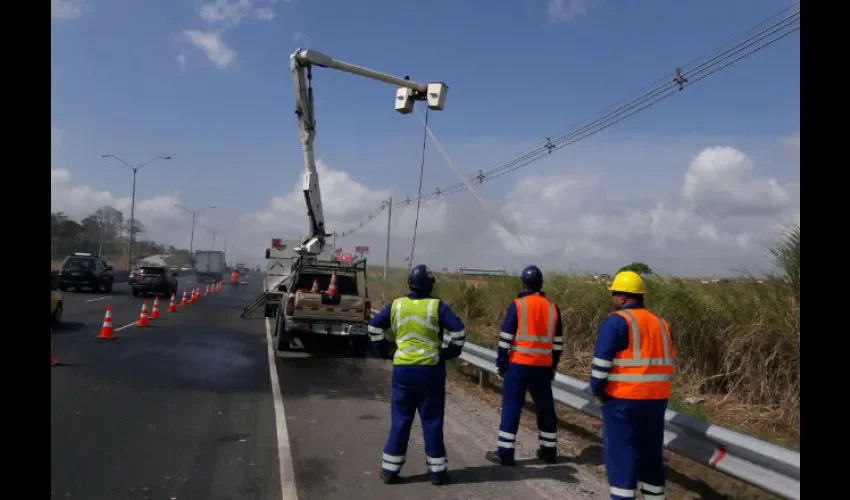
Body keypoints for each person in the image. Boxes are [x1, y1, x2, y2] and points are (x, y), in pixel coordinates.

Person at [368, 264, 467, 486]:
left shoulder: (397, 305)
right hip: (430, 371)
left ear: (409, 284)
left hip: (403, 371)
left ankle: (390, 471)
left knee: (400, 420)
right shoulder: (437, 307)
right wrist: (448, 353)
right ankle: (437, 473)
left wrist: (388, 351)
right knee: (432, 421)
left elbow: (373, 328)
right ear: (430, 286)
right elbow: (459, 331)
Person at [590, 270, 675, 500]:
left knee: (622, 456)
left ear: (623, 298)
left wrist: (598, 391)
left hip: (622, 401)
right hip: (657, 401)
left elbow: (600, 366)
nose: (612, 300)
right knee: (651, 457)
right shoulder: (661, 324)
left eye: (614, 294)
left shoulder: (616, 321)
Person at [487, 265, 563, 466]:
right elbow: (557, 343)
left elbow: (505, 338)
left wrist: (501, 362)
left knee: (512, 407)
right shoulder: (552, 307)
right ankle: (549, 451)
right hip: (543, 366)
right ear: (541, 284)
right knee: (545, 408)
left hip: (519, 365)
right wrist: (553, 365)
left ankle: (505, 452)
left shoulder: (518, 305)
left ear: (523, 283)